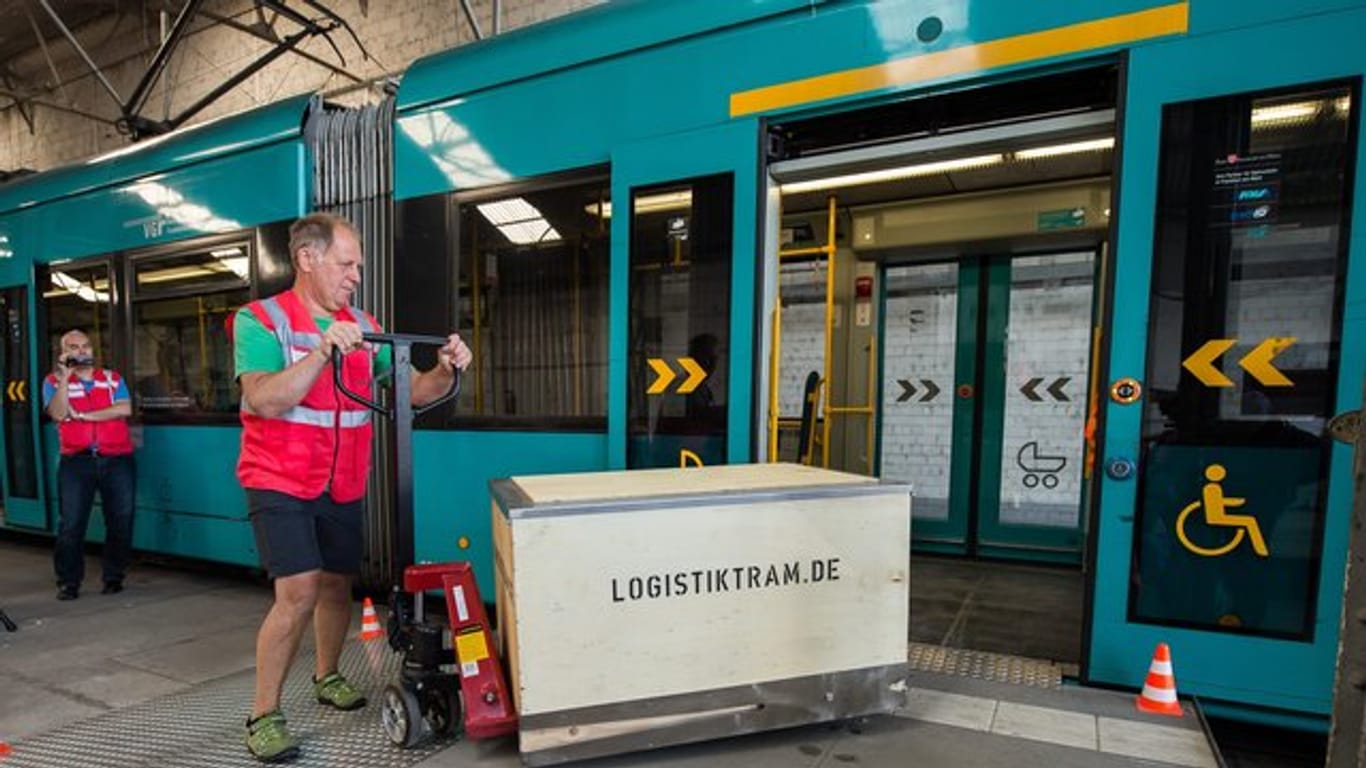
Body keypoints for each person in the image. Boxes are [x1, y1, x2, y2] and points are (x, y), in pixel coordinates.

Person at [233, 212, 471, 763]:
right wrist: (320, 351)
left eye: (358, 265)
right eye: (347, 263)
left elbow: (410, 392)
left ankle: (327, 675)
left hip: (341, 480)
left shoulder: (363, 324)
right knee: (298, 592)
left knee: (339, 586)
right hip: (279, 478)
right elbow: (265, 398)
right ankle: (263, 714)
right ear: (307, 259)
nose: (355, 275)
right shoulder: (262, 320)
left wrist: (447, 370)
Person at [42, 329, 136, 601]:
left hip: (117, 459)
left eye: (85, 346)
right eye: (74, 347)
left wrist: (82, 415)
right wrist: (64, 379)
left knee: (121, 520)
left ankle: (114, 577)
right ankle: (68, 582)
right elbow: (58, 413)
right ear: (63, 353)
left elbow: (124, 409)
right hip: (76, 461)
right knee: (71, 523)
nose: (81, 351)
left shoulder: (111, 378)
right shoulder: (51, 382)